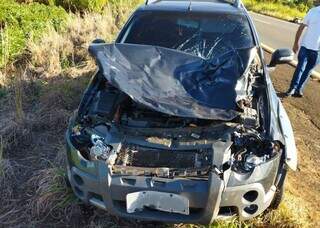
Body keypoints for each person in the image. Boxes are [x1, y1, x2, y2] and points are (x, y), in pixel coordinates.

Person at [286, 6, 320, 97]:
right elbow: (301, 28)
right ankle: (292, 88)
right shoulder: (313, 11)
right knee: (300, 67)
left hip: (318, 51)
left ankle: (299, 89)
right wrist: (296, 43)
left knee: (308, 71)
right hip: (305, 47)